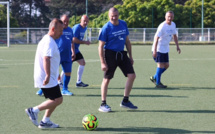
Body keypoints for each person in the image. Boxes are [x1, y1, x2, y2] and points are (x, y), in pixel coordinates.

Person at [25, 18, 63, 129]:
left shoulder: (48, 39)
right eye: (60, 30)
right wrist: (47, 75)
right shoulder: (49, 41)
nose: (61, 33)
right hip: (47, 77)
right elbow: (46, 58)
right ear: (53, 29)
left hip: (50, 76)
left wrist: (56, 74)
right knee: (58, 100)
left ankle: (45, 121)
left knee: (55, 99)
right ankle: (33, 110)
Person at [98, 7, 138, 112]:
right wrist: (102, 62)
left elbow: (127, 41)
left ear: (118, 15)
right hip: (110, 54)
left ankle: (125, 101)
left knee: (132, 75)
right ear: (109, 16)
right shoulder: (106, 28)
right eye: (112, 16)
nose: (114, 18)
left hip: (122, 54)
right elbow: (100, 46)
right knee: (107, 79)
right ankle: (103, 104)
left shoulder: (123, 24)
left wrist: (131, 56)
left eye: (116, 15)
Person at [36, 15, 75, 96]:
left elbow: (72, 42)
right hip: (58, 54)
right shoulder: (50, 39)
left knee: (68, 72)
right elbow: (47, 57)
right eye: (64, 21)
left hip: (67, 55)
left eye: (67, 21)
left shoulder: (70, 30)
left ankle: (64, 89)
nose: (66, 23)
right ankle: (43, 88)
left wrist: (73, 51)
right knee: (56, 99)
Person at [150, 11, 181, 88]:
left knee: (166, 65)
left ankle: (154, 77)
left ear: (173, 17)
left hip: (165, 48)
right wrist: (154, 50)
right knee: (160, 65)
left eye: (171, 17)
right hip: (158, 48)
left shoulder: (173, 25)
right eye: (168, 17)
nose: (170, 18)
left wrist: (177, 46)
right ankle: (158, 83)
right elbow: (156, 39)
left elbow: (174, 36)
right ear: (165, 17)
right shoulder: (162, 26)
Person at [72, 15, 90, 87]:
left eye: (87, 21)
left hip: (76, 49)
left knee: (82, 63)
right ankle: (59, 82)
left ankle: (78, 82)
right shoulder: (77, 27)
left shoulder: (85, 28)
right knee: (67, 66)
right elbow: (73, 40)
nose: (85, 22)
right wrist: (85, 42)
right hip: (71, 49)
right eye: (84, 21)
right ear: (81, 21)